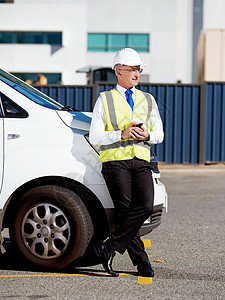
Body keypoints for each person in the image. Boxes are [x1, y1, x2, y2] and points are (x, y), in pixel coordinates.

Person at [89, 48, 164, 277]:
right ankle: (143, 263)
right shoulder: (105, 99)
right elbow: (95, 136)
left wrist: (148, 136)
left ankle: (108, 247)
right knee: (124, 212)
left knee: (145, 206)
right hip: (116, 162)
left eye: (139, 70)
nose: (137, 74)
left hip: (141, 160)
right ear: (119, 71)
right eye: (132, 69)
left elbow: (160, 133)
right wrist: (120, 134)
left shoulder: (148, 100)